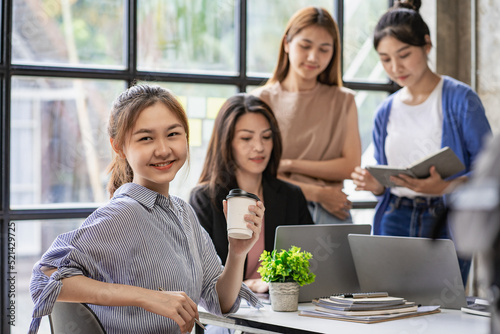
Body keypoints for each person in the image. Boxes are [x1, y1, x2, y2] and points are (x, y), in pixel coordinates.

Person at [29, 85, 264, 334]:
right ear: (118, 146)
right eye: (146, 138)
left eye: (173, 134)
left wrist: (238, 252)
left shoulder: (184, 213)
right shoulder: (123, 214)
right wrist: (145, 297)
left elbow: (220, 302)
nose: (163, 149)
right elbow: (43, 279)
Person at [351, 0, 492, 285]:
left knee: (442, 315)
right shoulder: (385, 111)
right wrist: (377, 185)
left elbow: (490, 176)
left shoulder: (460, 99)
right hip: (395, 216)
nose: (395, 67)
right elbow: (387, 177)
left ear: (427, 45)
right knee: (389, 308)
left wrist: (445, 186)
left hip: (445, 220)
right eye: (385, 59)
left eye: (404, 54)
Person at [189, 93, 313, 294]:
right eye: (246, 138)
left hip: (282, 310)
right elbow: (200, 280)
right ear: (227, 142)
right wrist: (249, 285)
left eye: (266, 137)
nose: (259, 147)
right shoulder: (205, 199)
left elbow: (310, 263)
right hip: (227, 316)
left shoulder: (291, 196)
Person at [252, 6, 361, 224]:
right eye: (305, 46)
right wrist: (317, 193)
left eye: (324, 49)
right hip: (276, 208)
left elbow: (350, 166)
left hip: (332, 215)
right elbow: (257, 170)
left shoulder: (344, 100)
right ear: (286, 44)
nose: (313, 57)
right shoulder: (261, 100)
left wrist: (291, 165)